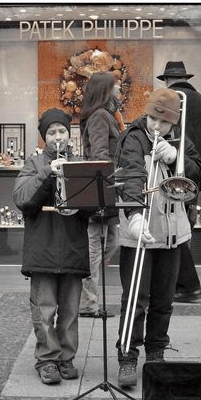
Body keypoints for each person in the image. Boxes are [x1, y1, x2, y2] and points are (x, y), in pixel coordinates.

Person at [114, 88, 201, 388]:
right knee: (135, 300)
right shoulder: (134, 137)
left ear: (172, 123)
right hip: (139, 232)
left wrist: (177, 156)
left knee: (164, 299)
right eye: (152, 118)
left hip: (173, 233)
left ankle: (156, 353)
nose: (156, 127)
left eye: (163, 123)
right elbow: (132, 176)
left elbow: (198, 173)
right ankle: (127, 356)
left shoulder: (180, 140)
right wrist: (135, 215)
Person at [12, 108, 91, 385]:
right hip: (43, 247)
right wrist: (48, 172)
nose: (58, 137)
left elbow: (93, 208)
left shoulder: (80, 163)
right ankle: (47, 359)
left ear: (70, 134)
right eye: (52, 132)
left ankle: (66, 357)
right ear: (44, 137)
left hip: (72, 246)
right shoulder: (34, 164)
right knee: (44, 309)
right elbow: (22, 198)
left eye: (62, 131)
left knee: (70, 310)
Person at [158, 60, 201, 303]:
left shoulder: (168, 99)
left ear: (167, 80)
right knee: (184, 227)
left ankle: (185, 283)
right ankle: (181, 283)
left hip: (172, 171)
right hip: (195, 172)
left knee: (173, 229)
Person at [77, 71, 125, 318]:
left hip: (109, 190)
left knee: (111, 242)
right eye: (116, 86)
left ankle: (85, 294)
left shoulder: (109, 114)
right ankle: (88, 304)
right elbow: (99, 156)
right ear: (106, 90)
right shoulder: (99, 116)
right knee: (94, 249)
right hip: (102, 191)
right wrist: (104, 194)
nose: (119, 89)